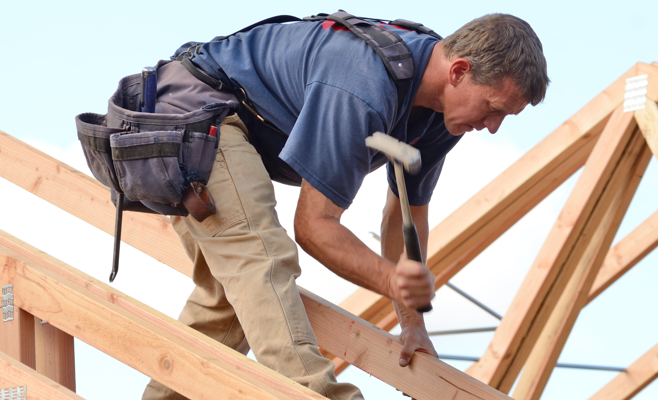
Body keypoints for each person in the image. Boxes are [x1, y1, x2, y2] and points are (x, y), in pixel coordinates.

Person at [141, 12, 549, 400]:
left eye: (504, 118)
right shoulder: (364, 85)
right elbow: (314, 225)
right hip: (194, 115)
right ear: (459, 71)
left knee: (233, 302)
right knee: (260, 255)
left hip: (227, 128)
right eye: (494, 109)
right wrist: (392, 282)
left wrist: (412, 324)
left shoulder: (442, 115)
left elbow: (405, 215)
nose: (493, 127)